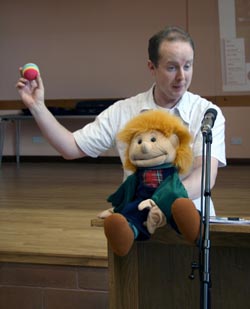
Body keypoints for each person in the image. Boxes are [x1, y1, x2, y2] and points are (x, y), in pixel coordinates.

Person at [16, 25, 226, 216]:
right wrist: (37, 107)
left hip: (191, 221)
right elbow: (70, 147)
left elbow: (205, 174)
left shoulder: (207, 113)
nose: (182, 76)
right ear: (151, 67)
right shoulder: (123, 111)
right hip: (138, 221)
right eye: (172, 68)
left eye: (187, 66)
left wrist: (158, 201)